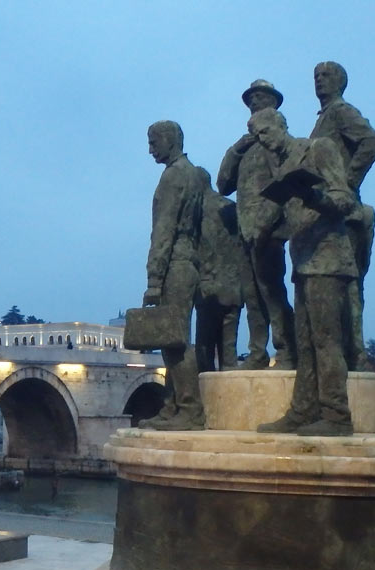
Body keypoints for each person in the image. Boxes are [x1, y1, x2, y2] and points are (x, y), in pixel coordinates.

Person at [250, 108, 357, 436]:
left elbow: (344, 200)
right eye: (257, 137)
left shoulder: (318, 149)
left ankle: (337, 416)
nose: (263, 141)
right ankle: (303, 411)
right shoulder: (282, 168)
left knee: (326, 340)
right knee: (306, 342)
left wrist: (311, 195)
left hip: (328, 260)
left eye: (266, 133)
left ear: (282, 126)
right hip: (304, 261)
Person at [310, 62, 375, 372]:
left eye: (326, 76)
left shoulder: (341, 111)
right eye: (316, 77)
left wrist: (348, 180)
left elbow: (373, 141)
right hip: (329, 211)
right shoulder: (325, 117)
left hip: (344, 212)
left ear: (340, 81)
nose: (319, 81)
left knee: (348, 287)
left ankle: (355, 356)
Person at [217, 79, 296, 369]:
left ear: (273, 103)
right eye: (251, 99)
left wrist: (270, 222)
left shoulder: (278, 143)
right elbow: (223, 184)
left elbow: (286, 184)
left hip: (270, 230)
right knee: (251, 295)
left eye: (261, 98)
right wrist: (238, 147)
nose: (254, 103)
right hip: (245, 230)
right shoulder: (246, 147)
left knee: (272, 292)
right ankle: (257, 352)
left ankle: (287, 349)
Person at [138, 120, 206, 430]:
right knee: (172, 338)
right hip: (188, 261)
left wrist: (154, 278)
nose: (151, 149)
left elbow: (163, 229)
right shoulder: (193, 174)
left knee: (175, 340)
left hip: (175, 264)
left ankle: (189, 409)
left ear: (170, 140)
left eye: (154, 142)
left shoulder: (173, 177)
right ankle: (172, 405)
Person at [194, 167, 243, 371]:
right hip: (234, 289)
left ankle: (208, 400)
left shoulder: (196, 212)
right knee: (229, 353)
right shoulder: (231, 208)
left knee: (204, 352)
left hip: (208, 290)